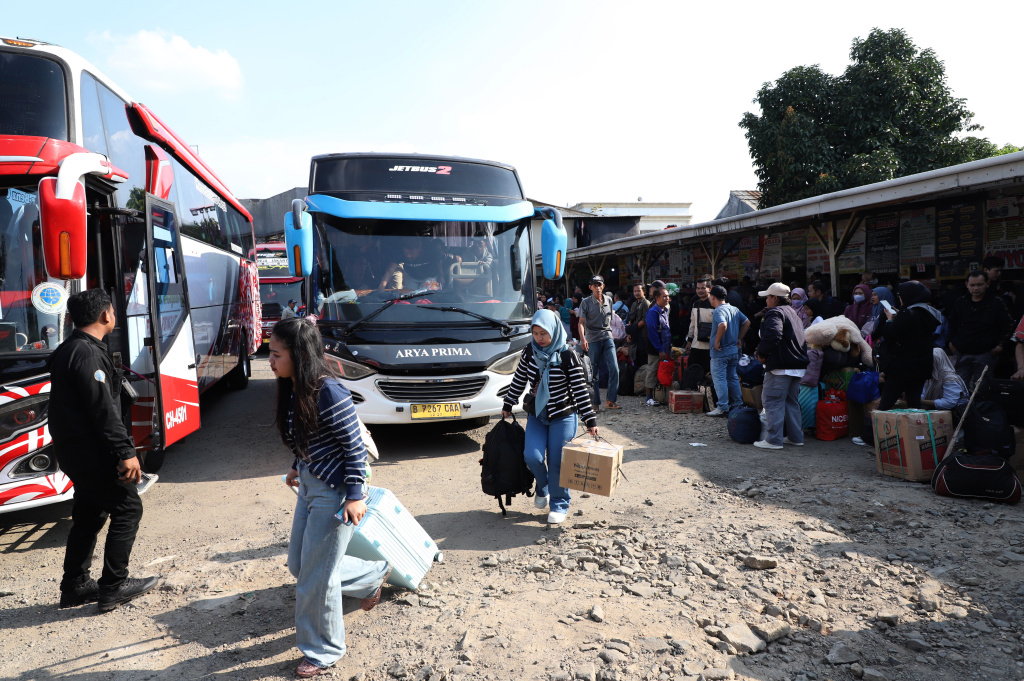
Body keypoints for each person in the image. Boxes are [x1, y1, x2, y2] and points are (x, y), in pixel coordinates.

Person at [273, 318, 392, 678]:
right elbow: (309, 435)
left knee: (315, 578)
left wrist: (355, 496)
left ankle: (324, 650)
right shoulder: (294, 386)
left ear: (298, 354)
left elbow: (354, 446)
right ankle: (372, 574)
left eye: (276, 354)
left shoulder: (329, 391)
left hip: (336, 493)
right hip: (310, 484)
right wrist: (297, 464)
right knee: (300, 566)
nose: (270, 361)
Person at [48, 289, 158, 612]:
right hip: (91, 452)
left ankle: (75, 586)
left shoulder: (71, 348)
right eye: (112, 309)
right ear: (105, 315)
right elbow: (103, 411)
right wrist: (126, 452)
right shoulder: (88, 355)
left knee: (90, 512)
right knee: (128, 508)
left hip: (74, 451)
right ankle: (113, 586)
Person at [502, 309, 597, 525]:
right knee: (532, 457)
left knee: (557, 461)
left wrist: (589, 419)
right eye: (535, 333)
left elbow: (579, 390)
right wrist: (509, 402)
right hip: (537, 414)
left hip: (563, 415)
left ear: (554, 330)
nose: (540, 338)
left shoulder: (567, 355)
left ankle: (559, 504)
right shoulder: (529, 352)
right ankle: (542, 486)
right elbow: (519, 379)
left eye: (543, 333)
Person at [753, 283, 809, 449]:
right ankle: (795, 437)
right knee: (791, 402)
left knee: (772, 401)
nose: (766, 300)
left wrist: (762, 355)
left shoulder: (775, 313)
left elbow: (773, 335)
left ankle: (773, 440)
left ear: (775, 298)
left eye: (768, 297)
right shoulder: (793, 313)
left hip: (781, 366)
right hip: (797, 365)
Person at [874, 281, 942, 411]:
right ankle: (915, 430)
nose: (899, 298)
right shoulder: (927, 313)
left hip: (902, 367)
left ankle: (878, 430)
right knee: (914, 404)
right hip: (921, 366)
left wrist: (889, 319)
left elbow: (890, 335)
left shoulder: (907, 314)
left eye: (901, 295)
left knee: (886, 403)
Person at [948, 270, 1013, 389]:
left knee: (982, 388)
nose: (976, 288)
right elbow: (952, 323)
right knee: (957, 388)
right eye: (972, 285)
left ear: (987, 284)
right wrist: (952, 343)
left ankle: (979, 407)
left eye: (979, 284)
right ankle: (961, 408)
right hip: (962, 352)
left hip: (985, 353)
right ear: (967, 284)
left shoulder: (996, 302)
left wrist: (1000, 346)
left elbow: (1008, 325)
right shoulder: (961, 302)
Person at [578, 275, 621, 410]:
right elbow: (581, 323)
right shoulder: (585, 302)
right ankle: (595, 402)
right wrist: (583, 339)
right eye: (595, 285)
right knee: (593, 372)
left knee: (614, 368)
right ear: (590, 287)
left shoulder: (609, 299)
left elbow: (610, 320)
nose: (597, 287)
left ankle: (611, 400)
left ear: (603, 286)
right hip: (593, 338)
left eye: (600, 285)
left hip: (607, 336)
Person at [706, 285, 750, 417]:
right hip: (733, 351)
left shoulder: (718, 311)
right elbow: (747, 322)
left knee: (720, 379)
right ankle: (737, 404)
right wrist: (739, 338)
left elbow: (723, 325)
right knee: (733, 377)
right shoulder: (734, 309)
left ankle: (722, 407)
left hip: (720, 352)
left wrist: (716, 341)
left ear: (712, 297)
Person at [644, 286, 672, 407]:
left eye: (667, 296)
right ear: (657, 298)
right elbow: (652, 331)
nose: (667, 298)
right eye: (664, 296)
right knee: (653, 370)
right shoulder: (653, 312)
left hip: (664, 347)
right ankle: (649, 398)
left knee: (662, 371)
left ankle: (660, 396)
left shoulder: (664, 310)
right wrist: (659, 349)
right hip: (655, 347)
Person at [920, 348, 969, 414]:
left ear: (938, 361)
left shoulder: (950, 379)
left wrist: (922, 401)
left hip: (955, 414)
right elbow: (924, 392)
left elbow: (949, 403)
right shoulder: (931, 376)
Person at [685, 276, 714, 374]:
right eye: (698, 288)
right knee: (693, 373)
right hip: (695, 345)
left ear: (709, 289)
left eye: (703, 288)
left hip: (710, 347)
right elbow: (692, 324)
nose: (700, 290)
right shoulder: (695, 303)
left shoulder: (714, 304)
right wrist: (689, 340)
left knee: (708, 375)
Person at [625, 282, 651, 364]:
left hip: (642, 335)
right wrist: (629, 334)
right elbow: (630, 319)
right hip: (634, 335)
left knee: (642, 359)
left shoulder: (646, 303)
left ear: (644, 291)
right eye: (635, 291)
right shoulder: (634, 304)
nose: (636, 293)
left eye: (639, 291)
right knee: (634, 358)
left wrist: (631, 329)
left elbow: (644, 321)